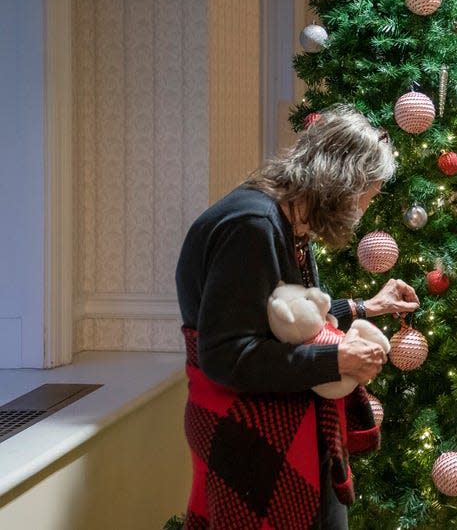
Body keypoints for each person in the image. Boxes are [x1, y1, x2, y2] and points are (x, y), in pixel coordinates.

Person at [176, 103, 420, 530]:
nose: (366, 207)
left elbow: (283, 322)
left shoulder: (285, 219)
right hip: (249, 437)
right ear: (344, 183)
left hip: (274, 426)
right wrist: (335, 361)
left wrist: (365, 308)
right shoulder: (251, 226)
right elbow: (225, 354)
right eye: (368, 193)